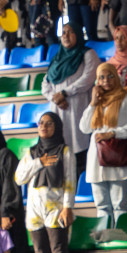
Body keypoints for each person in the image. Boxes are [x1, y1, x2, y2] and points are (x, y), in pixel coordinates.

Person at [14, 112, 77, 253]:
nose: (44, 126)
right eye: (41, 123)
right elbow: (19, 178)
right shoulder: (32, 152)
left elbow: (70, 180)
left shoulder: (64, 150)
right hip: (35, 210)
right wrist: (39, 163)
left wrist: (67, 207)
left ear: (57, 127)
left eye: (49, 123)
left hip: (56, 208)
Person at [81, 63, 127, 231]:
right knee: (101, 204)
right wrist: (93, 103)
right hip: (96, 160)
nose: (106, 80)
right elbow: (84, 128)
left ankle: (122, 238)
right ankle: (106, 239)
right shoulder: (96, 101)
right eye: (101, 77)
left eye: (110, 76)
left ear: (116, 76)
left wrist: (112, 133)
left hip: (117, 157)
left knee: (119, 204)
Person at [42, 25, 102, 155]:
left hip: (78, 108)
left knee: (80, 146)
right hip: (58, 107)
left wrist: (64, 93)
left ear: (78, 35)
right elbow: (45, 84)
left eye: (70, 32)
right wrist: (56, 98)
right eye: (63, 33)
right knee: (61, 149)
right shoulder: (57, 58)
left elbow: (87, 79)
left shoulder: (88, 54)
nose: (65, 36)